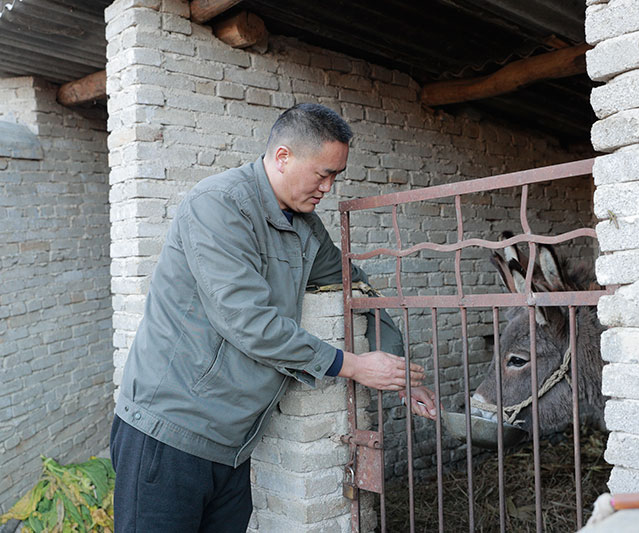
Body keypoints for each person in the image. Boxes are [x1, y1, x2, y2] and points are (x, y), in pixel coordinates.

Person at [110, 103, 437, 532]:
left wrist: (396, 371)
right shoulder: (218, 206)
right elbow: (248, 322)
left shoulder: (305, 228)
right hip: (168, 435)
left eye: (336, 176)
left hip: (232, 446)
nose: (329, 188)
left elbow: (355, 286)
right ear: (283, 157)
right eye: (323, 174)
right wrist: (355, 366)